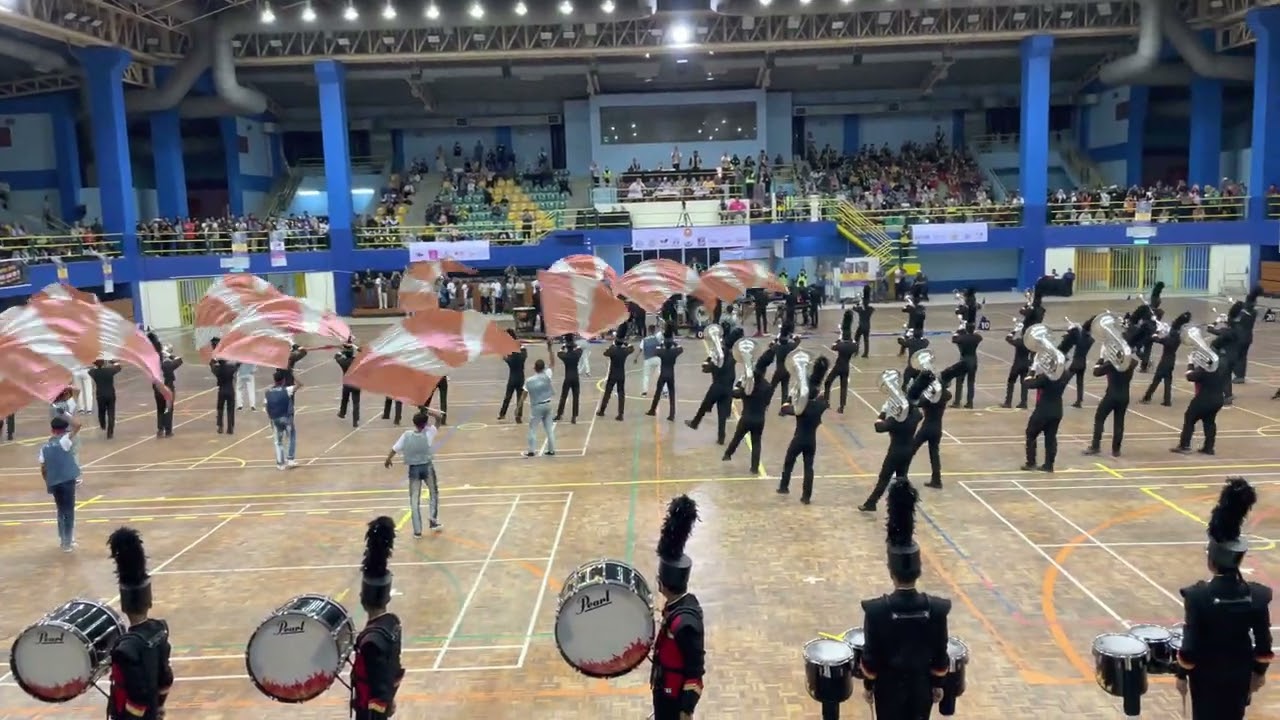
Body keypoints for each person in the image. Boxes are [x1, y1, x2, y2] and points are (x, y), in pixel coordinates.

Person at [1174, 477, 1273, 720]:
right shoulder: (1258, 595)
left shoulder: (1197, 596)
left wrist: (1181, 675)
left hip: (1206, 677)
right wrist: (1259, 673)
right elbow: (1263, 645)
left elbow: (1189, 650)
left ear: (1211, 561)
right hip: (1239, 675)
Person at [858, 479, 951, 719]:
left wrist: (869, 686)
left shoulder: (877, 611)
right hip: (921, 689)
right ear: (919, 572)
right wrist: (938, 684)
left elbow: (870, 659)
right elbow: (940, 654)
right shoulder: (937, 609)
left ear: (891, 572)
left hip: (888, 691)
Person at [105, 527, 174, 720]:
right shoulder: (159, 631)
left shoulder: (125, 649)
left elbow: (137, 698)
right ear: (148, 601)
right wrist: (159, 707)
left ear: (124, 605)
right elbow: (166, 679)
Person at [650, 495, 705, 720]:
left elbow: (695, 671)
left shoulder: (684, 623)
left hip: (673, 698)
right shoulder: (676, 606)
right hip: (664, 690)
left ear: (662, 584)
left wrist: (686, 710)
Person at [350, 517, 405, 720]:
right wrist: (391, 698)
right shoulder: (393, 623)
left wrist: (379, 709)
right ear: (387, 597)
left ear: (362, 599)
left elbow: (378, 688)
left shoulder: (370, 641)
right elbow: (395, 670)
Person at [778, 357, 830, 504]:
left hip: (799, 438)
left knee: (789, 461)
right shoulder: (820, 406)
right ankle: (806, 497)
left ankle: (784, 486)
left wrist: (792, 397)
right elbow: (824, 401)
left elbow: (784, 409)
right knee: (809, 468)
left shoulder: (801, 407)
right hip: (811, 441)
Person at [859, 393, 922, 512]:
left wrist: (883, 413)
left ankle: (871, 503)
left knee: (884, 478)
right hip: (908, 451)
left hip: (895, 452)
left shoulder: (895, 421)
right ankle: (904, 503)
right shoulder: (915, 416)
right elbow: (920, 414)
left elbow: (878, 427)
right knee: (902, 478)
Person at [384, 410, 443, 536]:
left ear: (414, 423)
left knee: (414, 499)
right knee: (433, 492)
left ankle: (417, 531)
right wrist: (429, 412)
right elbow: (439, 419)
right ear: (425, 424)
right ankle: (433, 520)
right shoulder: (429, 433)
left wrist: (388, 459)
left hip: (414, 469)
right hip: (427, 466)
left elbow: (395, 448)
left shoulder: (406, 435)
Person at [723, 344, 778, 475]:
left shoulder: (748, 386)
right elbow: (767, 402)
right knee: (756, 443)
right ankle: (754, 467)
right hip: (760, 419)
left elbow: (736, 394)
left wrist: (738, 384)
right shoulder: (768, 387)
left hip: (747, 417)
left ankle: (728, 454)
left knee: (737, 437)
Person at [687, 326, 741, 443]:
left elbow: (710, 367)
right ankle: (721, 437)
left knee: (704, 405)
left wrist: (706, 364)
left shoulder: (720, 354)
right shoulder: (734, 354)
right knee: (722, 413)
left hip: (718, 385)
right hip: (728, 386)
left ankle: (695, 423)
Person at [1173, 344, 1228, 456]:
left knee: (1190, 418)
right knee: (1209, 422)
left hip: (1204, 399)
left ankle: (1185, 445)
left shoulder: (1206, 369)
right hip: (1218, 399)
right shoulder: (1222, 367)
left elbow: (1190, 376)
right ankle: (1209, 448)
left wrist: (1190, 363)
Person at [1084, 344, 1136, 458]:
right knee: (1119, 422)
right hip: (1124, 396)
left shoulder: (1112, 364)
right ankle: (1116, 450)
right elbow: (1133, 360)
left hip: (1111, 395)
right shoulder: (1131, 363)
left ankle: (1095, 446)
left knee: (1099, 418)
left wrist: (1101, 358)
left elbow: (1096, 372)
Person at [40, 416, 82, 551]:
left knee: (60, 510)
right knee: (69, 511)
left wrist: (48, 482)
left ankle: (62, 538)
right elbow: (78, 425)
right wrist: (65, 413)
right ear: (64, 430)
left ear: (52, 430)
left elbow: (43, 468)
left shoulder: (44, 447)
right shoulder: (64, 441)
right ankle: (67, 542)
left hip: (54, 482)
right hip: (67, 481)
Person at [1022, 358, 1071, 473]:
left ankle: (1031, 462)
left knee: (1031, 433)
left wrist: (1032, 371)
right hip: (1057, 411)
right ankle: (1049, 465)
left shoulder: (1046, 377)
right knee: (1051, 438)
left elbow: (1028, 384)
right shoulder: (1066, 375)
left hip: (1043, 410)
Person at [907, 368, 951, 490]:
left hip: (926, 428)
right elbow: (947, 394)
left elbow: (917, 403)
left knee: (911, 450)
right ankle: (937, 480)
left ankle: (902, 474)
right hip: (938, 428)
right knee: (934, 454)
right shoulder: (945, 395)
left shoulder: (930, 398)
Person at [1143, 311, 1192, 406]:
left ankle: (1147, 397)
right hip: (1171, 360)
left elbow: (1159, 340)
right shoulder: (1177, 337)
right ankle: (1167, 400)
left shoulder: (1171, 338)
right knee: (1167, 381)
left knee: (1156, 380)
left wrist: (1156, 334)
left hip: (1165, 361)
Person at [944, 314, 982, 410]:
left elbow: (954, 339)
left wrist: (959, 330)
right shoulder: (976, 338)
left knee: (959, 381)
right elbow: (979, 336)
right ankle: (970, 402)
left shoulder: (962, 338)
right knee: (971, 382)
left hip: (964, 361)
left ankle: (957, 402)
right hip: (973, 360)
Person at [265, 370, 301, 470]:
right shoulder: (287, 390)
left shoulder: (268, 392)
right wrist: (292, 374)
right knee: (291, 436)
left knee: (278, 442)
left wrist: (271, 419)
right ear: (283, 380)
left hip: (274, 418)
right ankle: (290, 459)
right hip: (286, 417)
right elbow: (299, 385)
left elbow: (266, 406)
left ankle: (280, 464)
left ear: (274, 380)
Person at [1208, 302, 1242, 406]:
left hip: (1225, 357)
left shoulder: (1225, 331)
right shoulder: (1238, 329)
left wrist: (1217, 321)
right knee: (1227, 377)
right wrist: (1226, 320)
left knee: (1222, 378)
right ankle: (1228, 396)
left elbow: (1209, 329)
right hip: (1234, 357)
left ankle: (1222, 396)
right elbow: (1234, 322)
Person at [647, 325, 684, 421]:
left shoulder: (661, 351)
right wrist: (674, 343)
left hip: (663, 374)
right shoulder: (674, 351)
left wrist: (662, 344)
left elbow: (655, 351)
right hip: (671, 374)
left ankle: (652, 410)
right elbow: (681, 349)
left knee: (658, 393)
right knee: (672, 395)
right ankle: (672, 414)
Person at [824, 311, 858, 413]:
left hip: (838, 367)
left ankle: (826, 401)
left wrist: (839, 339)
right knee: (844, 387)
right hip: (846, 368)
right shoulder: (853, 346)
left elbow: (833, 346)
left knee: (828, 382)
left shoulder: (840, 345)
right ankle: (842, 406)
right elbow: (855, 347)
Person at [599, 327, 634, 421]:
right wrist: (625, 342)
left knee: (607, 392)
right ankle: (620, 414)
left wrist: (613, 344)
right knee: (621, 394)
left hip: (613, 374)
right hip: (621, 374)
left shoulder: (612, 350)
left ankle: (602, 410)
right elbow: (632, 348)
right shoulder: (624, 351)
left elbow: (605, 353)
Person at [524, 359, 556, 458]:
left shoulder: (529, 381)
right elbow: (552, 363)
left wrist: (519, 406)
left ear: (535, 368)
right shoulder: (547, 377)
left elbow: (524, 393)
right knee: (549, 429)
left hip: (536, 406)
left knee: (532, 428)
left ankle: (531, 451)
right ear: (543, 368)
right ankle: (551, 450)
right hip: (548, 404)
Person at [209, 340, 238, 434]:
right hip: (230, 390)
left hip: (221, 391)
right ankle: (230, 427)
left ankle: (220, 426)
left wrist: (214, 357)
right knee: (230, 409)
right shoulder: (231, 368)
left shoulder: (217, 369)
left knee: (220, 409)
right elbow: (238, 364)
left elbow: (211, 364)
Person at [497, 330, 527, 424]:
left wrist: (504, 355)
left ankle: (502, 414)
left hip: (513, 376)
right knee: (519, 398)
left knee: (508, 396)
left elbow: (507, 359)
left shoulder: (510, 351)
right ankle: (518, 416)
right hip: (521, 376)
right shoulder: (521, 349)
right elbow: (524, 355)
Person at [1234, 286, 1262, 383]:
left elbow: (1235, 322)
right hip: (1248, 337)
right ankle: (1241, 375)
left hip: (1239, 337)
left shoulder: (1243, 313)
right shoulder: (1254, 312)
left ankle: (1238, 376)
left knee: (1238, 356)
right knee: (1243, 357)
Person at [1066, 317, 1096, 408]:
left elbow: (1071, 335)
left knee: (1064, 380)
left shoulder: (1079, 336)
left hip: (1076, 362)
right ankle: (1079, 400)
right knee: (1080, 383)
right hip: (1083, 363)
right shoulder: (1090, 340)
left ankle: (1056, 396)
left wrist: (1073, 328)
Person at [88, 358, 122, 439]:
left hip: (100, 395)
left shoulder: (94, 372)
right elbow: (119, 368)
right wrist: (113, 362)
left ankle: (102, 424)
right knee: (111, 413)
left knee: (101, 411)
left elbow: (89, 370)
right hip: (110, 394)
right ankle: (110, 432)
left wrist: (95, 365)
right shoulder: (109, 371)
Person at [769, 323, 800, 408]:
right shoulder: (790, 346)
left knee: (771, 387)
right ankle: (784, 406)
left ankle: (765, 402)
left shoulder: (777, 347)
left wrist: (776, 338)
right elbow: (798, 341)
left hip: (779, 370)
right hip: (787, 370)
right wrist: (790, 335)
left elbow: (770, 345)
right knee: (785, 388)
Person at [1002, 322, 1032, 409]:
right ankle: (1024, 402)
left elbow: (1008, 338)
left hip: (1017, 364)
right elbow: (1035, 353)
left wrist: (1015, 330)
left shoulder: (1019, 341)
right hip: (1025, 364)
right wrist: (1030, 362)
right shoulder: (1030, 343)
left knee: (1011, 382)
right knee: (1024, 384)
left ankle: (1008, 402)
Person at [155, 345, 182, 438]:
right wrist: (170, 355)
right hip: (168, 388)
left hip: (158, 389)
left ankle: (160, 429)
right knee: (168, 410)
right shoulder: (168, 364)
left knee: (160, 409)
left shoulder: (155, 364)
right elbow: (179, 360)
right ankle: (168, 431)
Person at [555, 335, 582, 424]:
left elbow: (559, 353)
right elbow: (580, 349)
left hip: (568, 377)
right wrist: (574, 344)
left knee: (563, 396)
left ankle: (559, 414)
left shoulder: (565, 356)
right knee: (576, 397)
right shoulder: (577, 354)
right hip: (575, 377)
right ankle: (574, 416)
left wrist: (563, 346)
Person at [336, 341, 361, 427]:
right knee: (356, 402)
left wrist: (342, 349)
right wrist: (354, 346)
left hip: (347, 383)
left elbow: (336, 356)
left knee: (345, 399)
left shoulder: (342, 361)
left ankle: (342, 413)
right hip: (356, 383)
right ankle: (355, 420)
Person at [640, 324, 663, 396]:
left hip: (648, 359)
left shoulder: (644, 340)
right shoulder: (657, 338)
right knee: (661, 374)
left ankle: (644, 391)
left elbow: (640, 349)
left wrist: (636, 358)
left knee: (646, 376)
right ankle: (665, 391)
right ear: (654, 330)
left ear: (648, 330)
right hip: (657, 358)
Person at [853, 285, 873, 358]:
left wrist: (858, 304)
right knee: (866, 339)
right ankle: (866, 353)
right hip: (867, 326)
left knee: (856, 338)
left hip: (861, 326)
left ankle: (856, 351)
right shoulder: (870, 309)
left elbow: (854, 308)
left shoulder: (860, 309)